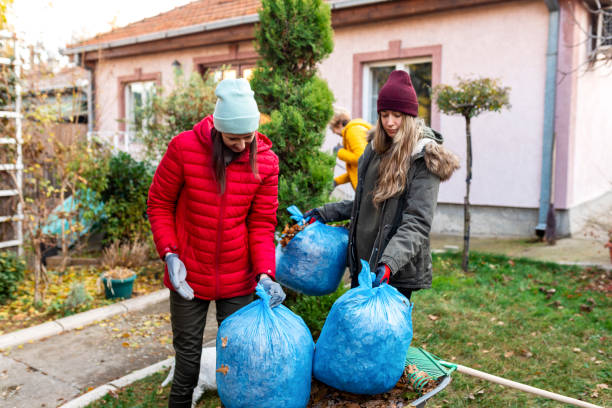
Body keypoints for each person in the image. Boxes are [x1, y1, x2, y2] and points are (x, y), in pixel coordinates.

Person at [147, 78, 285, 408]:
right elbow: (159, 203)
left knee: (236, 362)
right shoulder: (184, 148)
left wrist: (266, 273)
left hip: (238, 278)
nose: (241, 145)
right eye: (232, 137)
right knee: (187, 363)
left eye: (247, 137)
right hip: (188, 275)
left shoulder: (266, 162)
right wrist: (169, 253)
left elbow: (262, 224)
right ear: (218, 129)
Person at [306, 70, 459, 300]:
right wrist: (323, 213)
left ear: (408, 116)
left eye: (396, 115)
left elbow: (417, 223)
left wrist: (388, 264)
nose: (389, 122)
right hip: (364, 264)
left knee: (388, 335)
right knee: (359, 332)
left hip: (395, 270)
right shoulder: (374, 149)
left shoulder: (423, 156)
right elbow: (363, 203)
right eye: (384, 114)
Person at [329, 109, 371, 190]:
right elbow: (355, 171)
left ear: (339, 124)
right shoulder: (354, 130)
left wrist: (340, 152)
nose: (334, 132)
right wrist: (336, 182)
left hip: (369, 189)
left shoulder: (352, 130)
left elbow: (361, 158)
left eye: (332, 128)